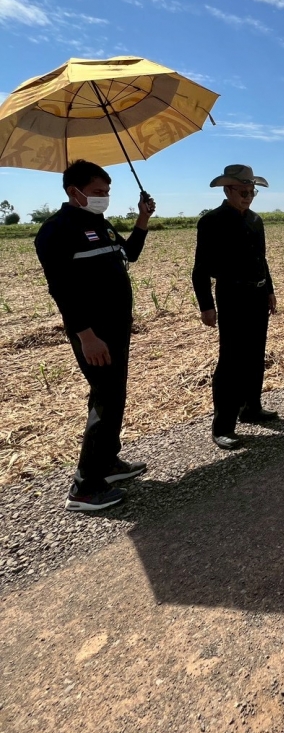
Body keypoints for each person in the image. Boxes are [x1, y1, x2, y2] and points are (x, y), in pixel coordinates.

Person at [34, 159, 156, 512]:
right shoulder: (56, 230)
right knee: (106, 397)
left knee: (114, 394)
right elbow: (61, 289)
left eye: (107, 192)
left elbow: (130, 254)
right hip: (93, 332)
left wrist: (143, 219)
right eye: (97, 192)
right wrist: (86, 336)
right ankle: (85, 487)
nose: (104, 197)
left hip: (116, 327)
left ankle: (107, 463)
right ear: (74, 191)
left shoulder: (99, 223)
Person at [192, 164, 277, 450]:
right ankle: (223, 427)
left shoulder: (255, 220)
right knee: (231, 361)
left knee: (255, 354)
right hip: (232, 295)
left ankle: (252, 407)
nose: (248, 197)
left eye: (252, 192)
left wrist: (269, 290)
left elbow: (262, 259)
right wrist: (206, 305)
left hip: (257, 294)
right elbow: (200, 268)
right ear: (228, 190)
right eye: (243, 192)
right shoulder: (211, 222)